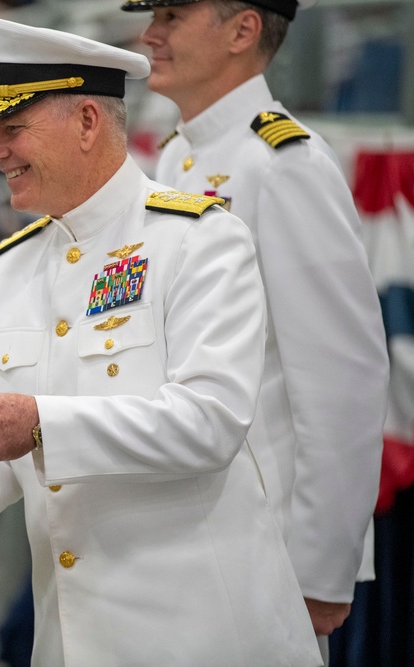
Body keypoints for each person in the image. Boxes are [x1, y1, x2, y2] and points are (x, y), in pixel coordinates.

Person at [0, 15, 323, 665]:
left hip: (203, 633)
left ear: (88, 121)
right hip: (73, 639)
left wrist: (36, 424)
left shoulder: (200, 241)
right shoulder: (8, 270)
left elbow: (210, 422)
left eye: (11, 128)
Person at [120, 0, 390, 652]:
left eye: (173, 16)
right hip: (183, 532)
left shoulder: (284, 163)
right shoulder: (181, 156)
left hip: (263, 546)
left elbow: (342, 379)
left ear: (243, 29)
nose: (148, 34)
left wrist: (323, 565)